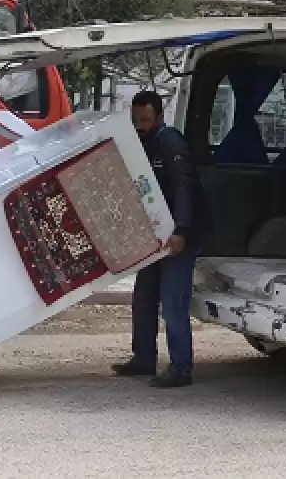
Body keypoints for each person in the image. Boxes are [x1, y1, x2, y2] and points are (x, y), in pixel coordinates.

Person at [111, 90, 210, 388]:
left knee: (172, 302)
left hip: (179, 235)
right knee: (144, 297)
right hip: (155, 235)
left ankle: (182, 367)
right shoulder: (143, 143)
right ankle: (143, 358)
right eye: (136, 120)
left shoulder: (170, 142)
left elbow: (184, 187)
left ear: (159, 116)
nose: (141, 125)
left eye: (146, 119)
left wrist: (181, 230)